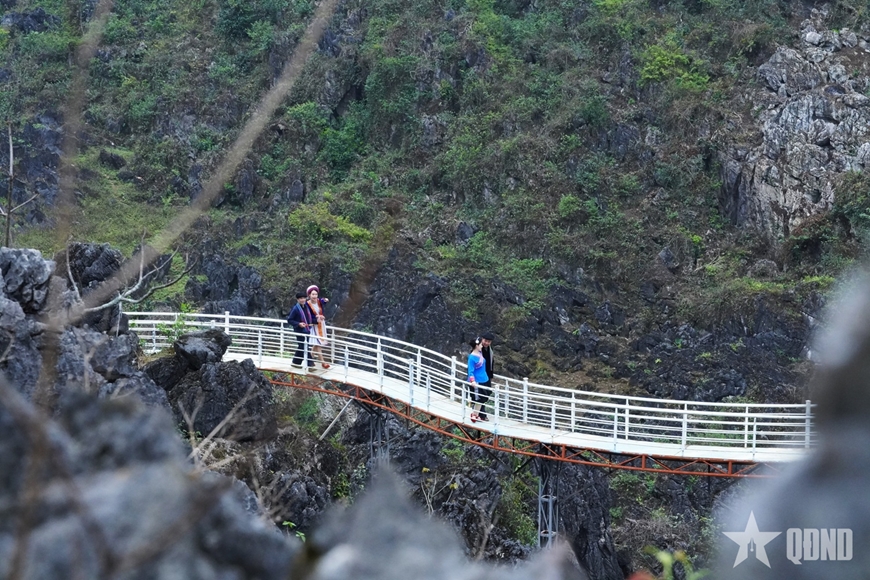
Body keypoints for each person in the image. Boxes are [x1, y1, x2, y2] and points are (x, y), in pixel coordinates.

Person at [286, 291, 314, 368]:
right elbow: (290, 320)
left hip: (307, 330)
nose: (302, 300)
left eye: (304, 298)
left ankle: (296, 362)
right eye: (300, 298)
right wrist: (298, 324)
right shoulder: (295, 309)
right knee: (304, 346)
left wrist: (314, 321)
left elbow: (309, 317)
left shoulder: (306, 307)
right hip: (299, 330)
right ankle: (310, 365)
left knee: (302, 346)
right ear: (297, 300)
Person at [305, 285, 331, 369]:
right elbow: (307, 316)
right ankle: (323, 362)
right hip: (314, 325)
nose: (314, 296)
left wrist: (326, 300)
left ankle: (309, 360)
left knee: (316, 344)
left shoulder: (319, 301)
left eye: (316, 294)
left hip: (321, 324)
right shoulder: (307, 304)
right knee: (318, 343)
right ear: (309, 295)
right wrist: (316, 318)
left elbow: (323, 300)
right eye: (313, 294)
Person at [467, 337, 489, 422]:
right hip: (477, 381)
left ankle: (476, 414)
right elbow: (470, 370)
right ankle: (475, 415)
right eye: (480, 344)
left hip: (484, 379)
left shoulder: (480, 353)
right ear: (476, 345)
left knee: (483, 398)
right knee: (478, 398)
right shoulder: (472, 357)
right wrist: (472, 381)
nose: (482, 346)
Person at [478, 331, 495, 421]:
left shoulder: (489, 350)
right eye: (485, 340)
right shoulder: (477, 348)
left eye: (489, 341)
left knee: (487, 393)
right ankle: (482, 414)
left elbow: (491, 362)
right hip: (479, 375)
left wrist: (491, 375)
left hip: (487, 375)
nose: (486, 343)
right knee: (480, 394)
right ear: (482, 339)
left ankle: (478, 412)